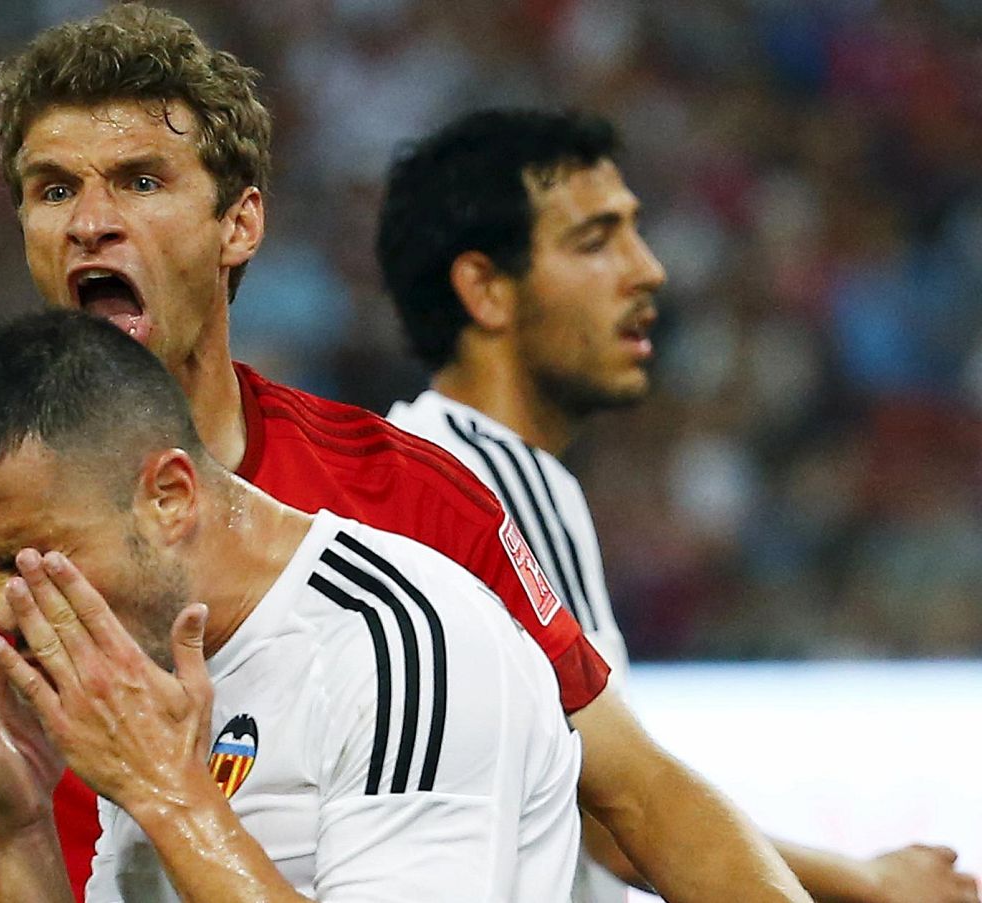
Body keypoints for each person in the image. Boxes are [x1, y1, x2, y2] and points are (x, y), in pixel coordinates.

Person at [0, 6, 805, 901]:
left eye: (138, 180)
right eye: (53, 188)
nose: (89, 222)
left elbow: (638, 798)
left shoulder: (404, 498)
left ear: (240, 224)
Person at [378, 107, 981, 903]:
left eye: (634, 231)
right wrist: (870, 882)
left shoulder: (427, 463)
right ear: (485, 288)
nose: (648, 269)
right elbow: (619, 817)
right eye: (596, 241)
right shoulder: (481, 480)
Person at [0, 309, 584, 901]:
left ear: (170, 497)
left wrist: (169, 792)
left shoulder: (407, 647)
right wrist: (21, 828)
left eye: (32, 558)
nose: (8, 614)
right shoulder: (151, 679)